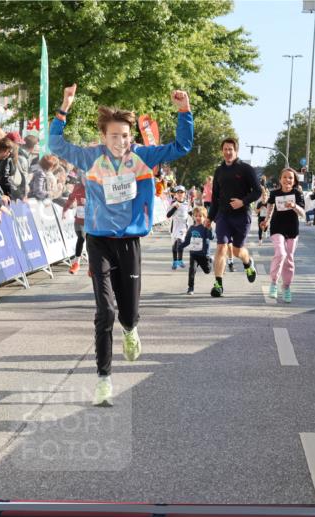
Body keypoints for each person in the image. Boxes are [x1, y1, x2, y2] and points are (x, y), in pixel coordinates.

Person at [50, 83, 193, 406]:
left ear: (132, 137)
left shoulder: (143, 157)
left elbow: (182, 146)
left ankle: (131, 328)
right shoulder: (90, 158)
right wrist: (65, 107)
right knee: (105, 311)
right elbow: (55, 143)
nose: (120, 142)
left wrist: (184, 111)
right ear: (104, 137)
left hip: (129, 243)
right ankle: (103, 379)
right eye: (114, 136)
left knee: (127, 312)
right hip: (98, 240)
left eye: (126, 136)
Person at [207, 137, 262, 297]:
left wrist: (242, 202)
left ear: (236, 151)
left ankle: (248, 262)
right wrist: (210, 218)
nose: (228, 152)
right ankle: (218, 284)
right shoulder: (219, 171)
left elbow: (257, 191)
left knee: (237, 251)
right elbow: (215, 197)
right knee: (221, 247)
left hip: (241, 216)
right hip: (223, 215)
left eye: (231, 149)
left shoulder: (246, 169)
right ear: (222, 151)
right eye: (225, 149)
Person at [264, 168, 306, 303]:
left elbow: (303, 214)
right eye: (285, 177)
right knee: (281, 253)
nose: (287, 180)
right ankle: (274, 283)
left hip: (292, 229)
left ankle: (286, 286)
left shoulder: (297, 194)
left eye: (290, 178)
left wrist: (294, 206)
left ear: (294, 181)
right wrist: (266, 220)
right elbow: (270, 207)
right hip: (277, 228)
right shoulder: (274, 193)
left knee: (289, 258)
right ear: (280, 179)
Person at [178, 206, 214, 295]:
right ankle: (190, 287)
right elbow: (187, 241)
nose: (198, 218)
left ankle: (210, 260)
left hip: (204, 254)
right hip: (193, 253)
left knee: (207, 271)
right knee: (192, 270)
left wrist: (209, 228)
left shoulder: (205, 227)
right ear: (193, 216)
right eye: (196, 216)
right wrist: (180, 246)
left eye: (200, 216)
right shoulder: (191, 228)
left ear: (205, 217)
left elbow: (211, 237)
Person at [63, 178, 87, 274]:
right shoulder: (78, 187)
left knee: (91, 242)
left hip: (91, 222)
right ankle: (76, 263)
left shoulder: (94, 187)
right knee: (81, 237)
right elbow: (71, 198)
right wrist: (64, 210)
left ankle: (93, 267)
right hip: (79, 220)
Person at [167, 186, 190, 269]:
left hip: (183, 227)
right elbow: (168, 215)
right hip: (174, 227)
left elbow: (191, 213)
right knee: (174, 244)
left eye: (181, 192)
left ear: (184, 194)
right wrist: (175, 208)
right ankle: (175, 261)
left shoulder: (187, 203)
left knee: (180, 242)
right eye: (178, 192)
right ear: (175, 195)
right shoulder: (173, 203)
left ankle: (180, 260)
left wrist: (196, 222)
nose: (180, 194)